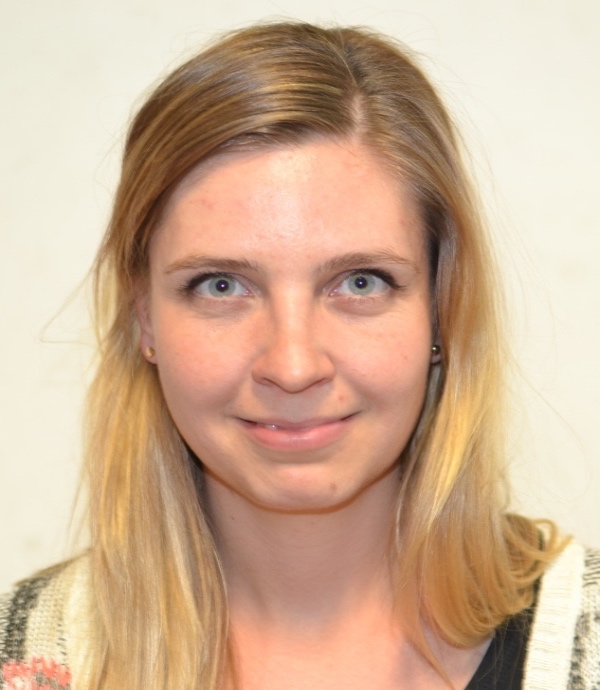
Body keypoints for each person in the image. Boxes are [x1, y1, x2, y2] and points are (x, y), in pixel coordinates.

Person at [0, 21, 598, 690]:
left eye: (360, 283)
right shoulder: (22, 661)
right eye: (221, 286)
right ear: (145, 316)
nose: (292, 366)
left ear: (442, 306)